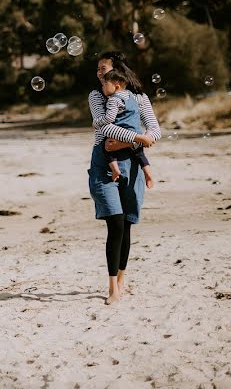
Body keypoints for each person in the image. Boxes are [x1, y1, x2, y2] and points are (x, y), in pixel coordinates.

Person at [88, 51, 161, 305]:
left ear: (117, 71)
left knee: (127, 224)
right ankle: (112, 288)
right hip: (104, 164)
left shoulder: (139, 97)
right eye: (97, 68)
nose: (99, 72)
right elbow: (103, 127)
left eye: (103, 68)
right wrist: (137, 138)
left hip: (131, 162)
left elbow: (155, 129)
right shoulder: (97, 96)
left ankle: (121, 278)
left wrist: (141, 138)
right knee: (115, 222)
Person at [100, 68, 155, 189]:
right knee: (140, 155)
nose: (102, 87)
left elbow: (109, 118)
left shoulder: (113, 100)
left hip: (121, 134)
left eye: (105, 84)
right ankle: (148, 173)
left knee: (108, 150)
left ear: (117, 86)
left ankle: (115, 170)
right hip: (137, 133)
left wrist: (98, 121)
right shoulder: (132, 96)